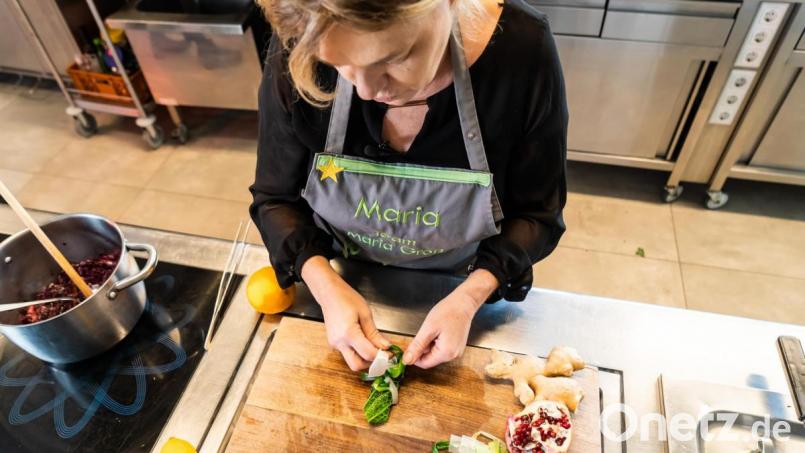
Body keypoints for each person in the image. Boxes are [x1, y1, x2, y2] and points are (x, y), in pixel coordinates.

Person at [250, 0, 568, 371]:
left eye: (394, 57)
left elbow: (537, 213)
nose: (366, 92)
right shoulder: (305, 30)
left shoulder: (522, 51)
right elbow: (276, 198)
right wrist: (324, 285)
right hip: (343, 273)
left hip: (464, 282)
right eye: (340, 64)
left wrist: (469, 297)